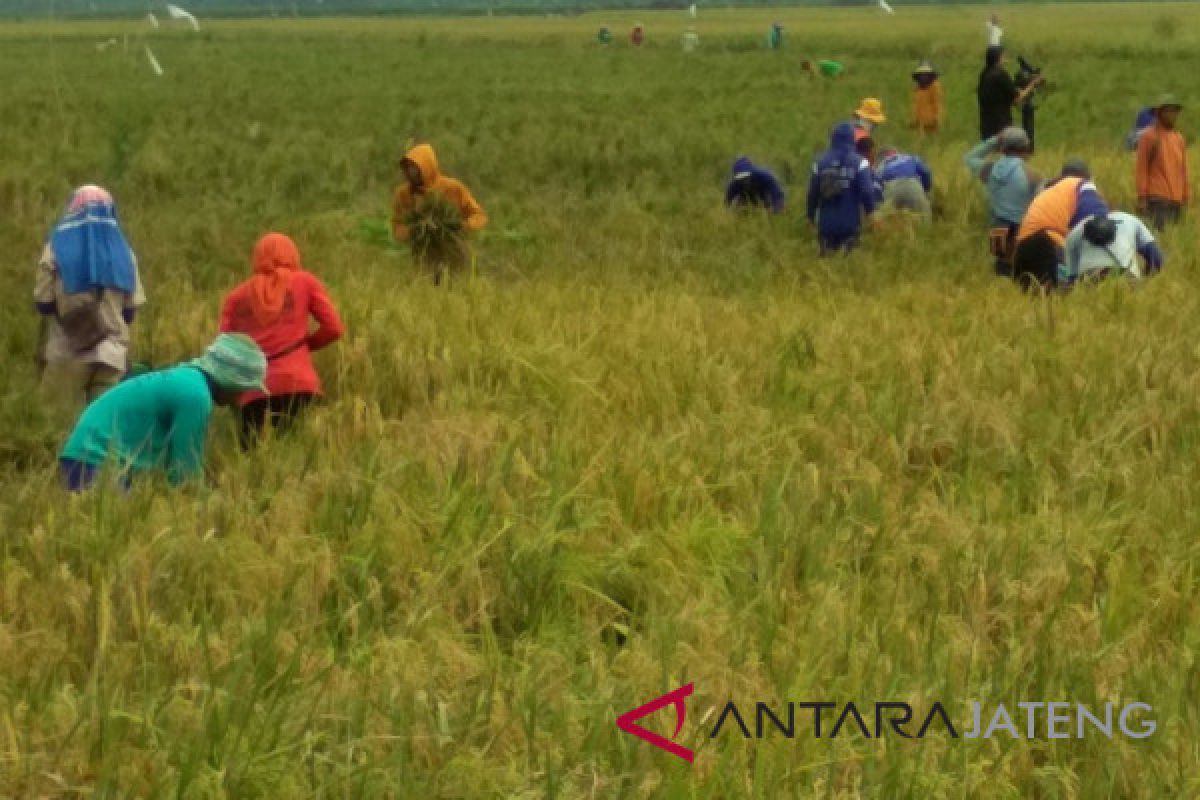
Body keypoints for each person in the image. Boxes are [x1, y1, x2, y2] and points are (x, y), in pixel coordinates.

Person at [58, 333, 267, 491]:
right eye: (243, 388)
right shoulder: (196, 396)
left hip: (84, 454)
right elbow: (184, 473)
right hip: (95, 460)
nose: (241, 398)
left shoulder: (187, 380)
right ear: (230, 379)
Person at [219, 233, 345, 449]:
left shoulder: (235, 297)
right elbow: (334, 328)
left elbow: (224, 350)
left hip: (253, 390)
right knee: (300, 456)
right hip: (299, 383)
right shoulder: (305, 282)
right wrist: (305, 346)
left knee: (254, 463)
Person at [34, 185, 147, 418]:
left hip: (68, 350)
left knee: (58, 422)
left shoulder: (55, 248)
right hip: (113, 354)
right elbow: (129, 313)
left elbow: (43, 303)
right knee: (105, 427)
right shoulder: (124, 252)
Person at [392, 143, 488, 281]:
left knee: (455, 284)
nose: (410, 172)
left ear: (426, 166)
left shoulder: (452, 188)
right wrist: (414, 230)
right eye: (407, 168)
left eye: (414, 167)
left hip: (453, 252)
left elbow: (479, 216)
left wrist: (460, 225)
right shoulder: (403, 194)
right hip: (423, 256)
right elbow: (397, 228)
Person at [1012, 159, 1108, 290]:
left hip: (1022, 247)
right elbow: (1095, 219)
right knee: (1063, 295)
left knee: (1032, 300)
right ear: (1087, 176)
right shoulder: (1083, 184)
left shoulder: (1049, 189)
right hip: (1048, 242)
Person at [964, 126, 1042, 276]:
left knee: (1001, 269)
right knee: (1021, 273)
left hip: (997, 227)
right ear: (1025, 148)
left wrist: (994, 140)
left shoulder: (990, 170)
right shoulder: (1031, 175)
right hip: (1021, 231)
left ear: (1002, 148)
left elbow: (969, 158)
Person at [806, 122, 877, 256]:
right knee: (849, 265)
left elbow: (812, 193)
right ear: (852, 139)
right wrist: (871, 214)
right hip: (850, 224)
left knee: (826, 263)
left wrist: (810, 217)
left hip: (826, 225)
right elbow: (867, 191)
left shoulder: (820, 163)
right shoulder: (860, 162)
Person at [1060, 211, 1163, 287]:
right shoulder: (1130, 219)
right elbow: (1155, 257)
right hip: (1126, 276)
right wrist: (1147, 281)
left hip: (1089, 277)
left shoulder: (1075, 231)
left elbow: (1072, 279)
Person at [1135, 94, 1189, 230]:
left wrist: (1185, 195)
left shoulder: (1179, 139)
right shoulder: (1149, 136)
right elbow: (1141, 168)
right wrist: (1142, 197)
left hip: (1176, 201)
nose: (1174, 115)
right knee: (1160, 239)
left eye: (1176, 111)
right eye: (1169, 111)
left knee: (1175, 238)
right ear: (1159, 113)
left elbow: (1183, 170)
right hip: (1157, 199)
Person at [977, 46, 1041, 141]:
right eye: (1003, 56)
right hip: (1001, 123)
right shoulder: (1000, 74)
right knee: (1002, 150)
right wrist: (1032, 85)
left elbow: (1003, 93)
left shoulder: (984, 74)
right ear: (998, 58)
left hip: (986, 123)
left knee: (990, 151)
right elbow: (1017, 98)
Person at [876, 147, 933, 221]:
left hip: (891, 190)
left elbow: (876, 188)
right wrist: (926, 189)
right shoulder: (910, 158)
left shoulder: (880, 167)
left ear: (881, 158)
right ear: (895, 152)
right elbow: (926, 172)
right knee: (924, 217)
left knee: (891, 222)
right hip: (912, 186)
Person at [911, 61, 944, 135]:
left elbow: (937, 103)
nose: (923, 76)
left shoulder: (935, 87)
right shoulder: (917, 89)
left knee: (932, 140)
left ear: (930, 75)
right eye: (921, 74)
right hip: (920, 123)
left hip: (932, 122)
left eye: (926, 74)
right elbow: (916, 106)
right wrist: (914, 120)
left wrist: (937, 118)